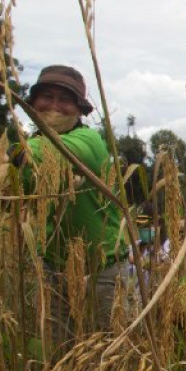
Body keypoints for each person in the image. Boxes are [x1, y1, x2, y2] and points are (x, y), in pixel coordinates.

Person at [12, 65, 126, 335]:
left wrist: (14, 154)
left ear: (79, 109)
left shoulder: (89, 140)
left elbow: (57, 152)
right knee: (56, 352)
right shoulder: (30, 150)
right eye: (46, 97)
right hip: (54, 269)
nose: (55, 106)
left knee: (106, 353)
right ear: (32, 103)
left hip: (103, 271)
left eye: (65, 99)